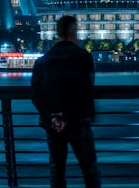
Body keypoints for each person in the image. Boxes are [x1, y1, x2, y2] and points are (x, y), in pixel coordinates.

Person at [31, 15, 101, 188]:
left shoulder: (43, 61)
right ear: (73, 32)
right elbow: (86, 90)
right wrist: (67, 115)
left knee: (57, 172)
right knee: (89, 169)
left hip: (53, 125)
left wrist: (53, 117)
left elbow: (36, 95)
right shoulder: (83, 57)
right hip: (78, 121)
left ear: (58, 33)